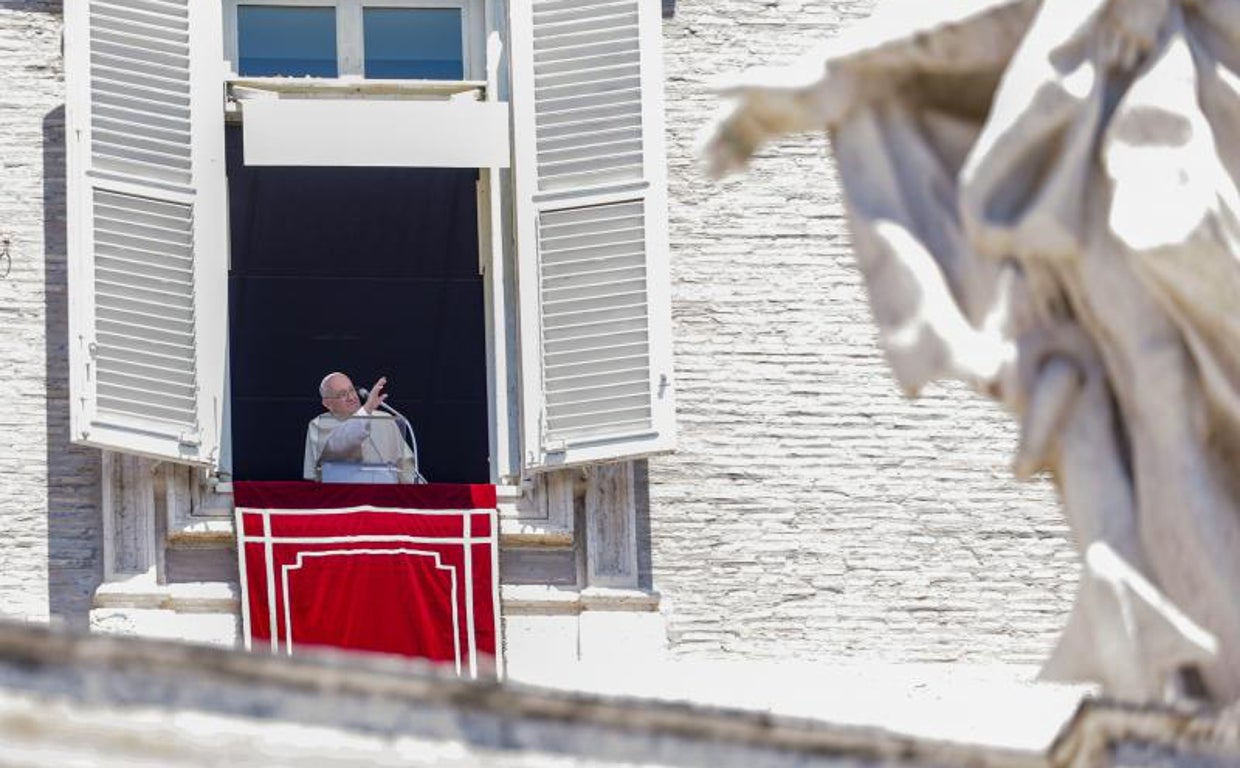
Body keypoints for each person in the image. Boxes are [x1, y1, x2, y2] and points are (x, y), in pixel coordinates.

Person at [303, 372, 418, 483]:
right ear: (327, 403)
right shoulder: (319, 424)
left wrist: (417, 490)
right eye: (342, 394)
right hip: (345, 496)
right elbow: (338, 447)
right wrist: (367, 409)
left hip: (387, 497)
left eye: (352, 390)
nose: (351, 397)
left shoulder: (385, 419)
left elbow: (406, 465)